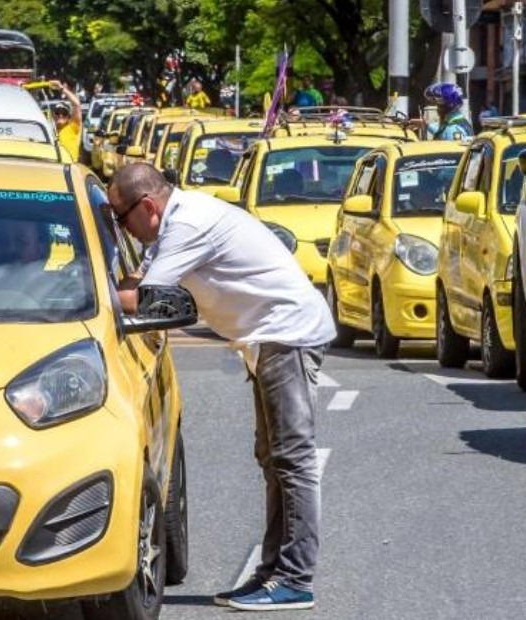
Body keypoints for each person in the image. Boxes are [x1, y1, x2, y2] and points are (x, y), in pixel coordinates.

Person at [110, 163, 334, 612]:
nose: (123, 228)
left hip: (284, 335)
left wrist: (68, 292)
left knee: (292, 459)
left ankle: (294, 577)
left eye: (121, 218)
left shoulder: (187, 225)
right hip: (267, 338)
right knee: (272, 458)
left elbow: (143, 297)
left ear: (148, 206)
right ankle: (273, 572)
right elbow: (140, 280)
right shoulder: (175, 222)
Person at [51, 80, 83, 162]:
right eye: (58, 112)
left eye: (64, 113)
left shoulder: (73, 127)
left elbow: (77, 104)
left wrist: (61, 88)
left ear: (69, 117)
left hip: (70, 167)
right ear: (53, 115)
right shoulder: (50, 130)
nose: (60, 115)